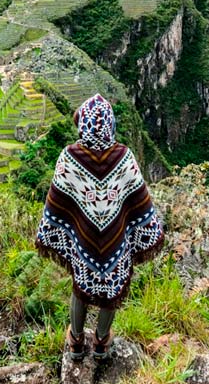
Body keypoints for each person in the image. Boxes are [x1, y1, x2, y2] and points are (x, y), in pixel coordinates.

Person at [35, 94, 164, 360]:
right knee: (113, 284)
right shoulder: (124, 157)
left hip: (82, 237)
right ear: (110, 125)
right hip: (115, 239)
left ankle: (76, 341)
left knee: (81, 282)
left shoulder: (70, 157)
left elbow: (58, 201)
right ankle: (103, 341)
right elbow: (139, 200)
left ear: (83, 124)